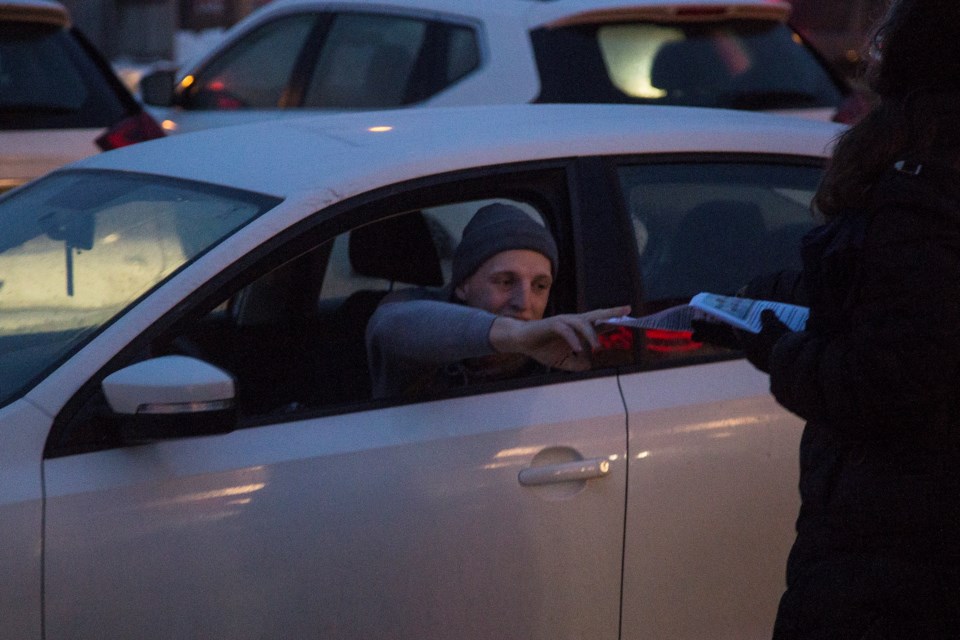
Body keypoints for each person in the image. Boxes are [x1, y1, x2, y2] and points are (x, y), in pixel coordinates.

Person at [733, 1, 960, 636]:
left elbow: (890, 380)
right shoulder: (924, 189)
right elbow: (878, 295)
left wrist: (780, 349)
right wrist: (750, 299)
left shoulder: (922, 192)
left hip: (899, 555)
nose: (872, 47)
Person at [365, 203, 629, 398]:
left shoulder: (562, 348)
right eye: (505, 281)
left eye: (540, 285)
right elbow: (390, 326)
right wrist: (518, 335)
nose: (523, 302)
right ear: (462, 286)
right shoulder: (419, 324)